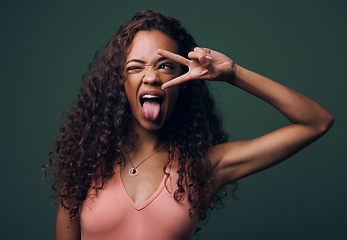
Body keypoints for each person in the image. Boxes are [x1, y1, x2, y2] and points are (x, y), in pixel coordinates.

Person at [45, 10, 334, 240]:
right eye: (135, 67)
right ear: (118, 83)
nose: (151, 77)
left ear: (183, 84)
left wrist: (233, 74)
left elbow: (316, 122)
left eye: (164, 65)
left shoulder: (200, 169)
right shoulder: (84, 164)